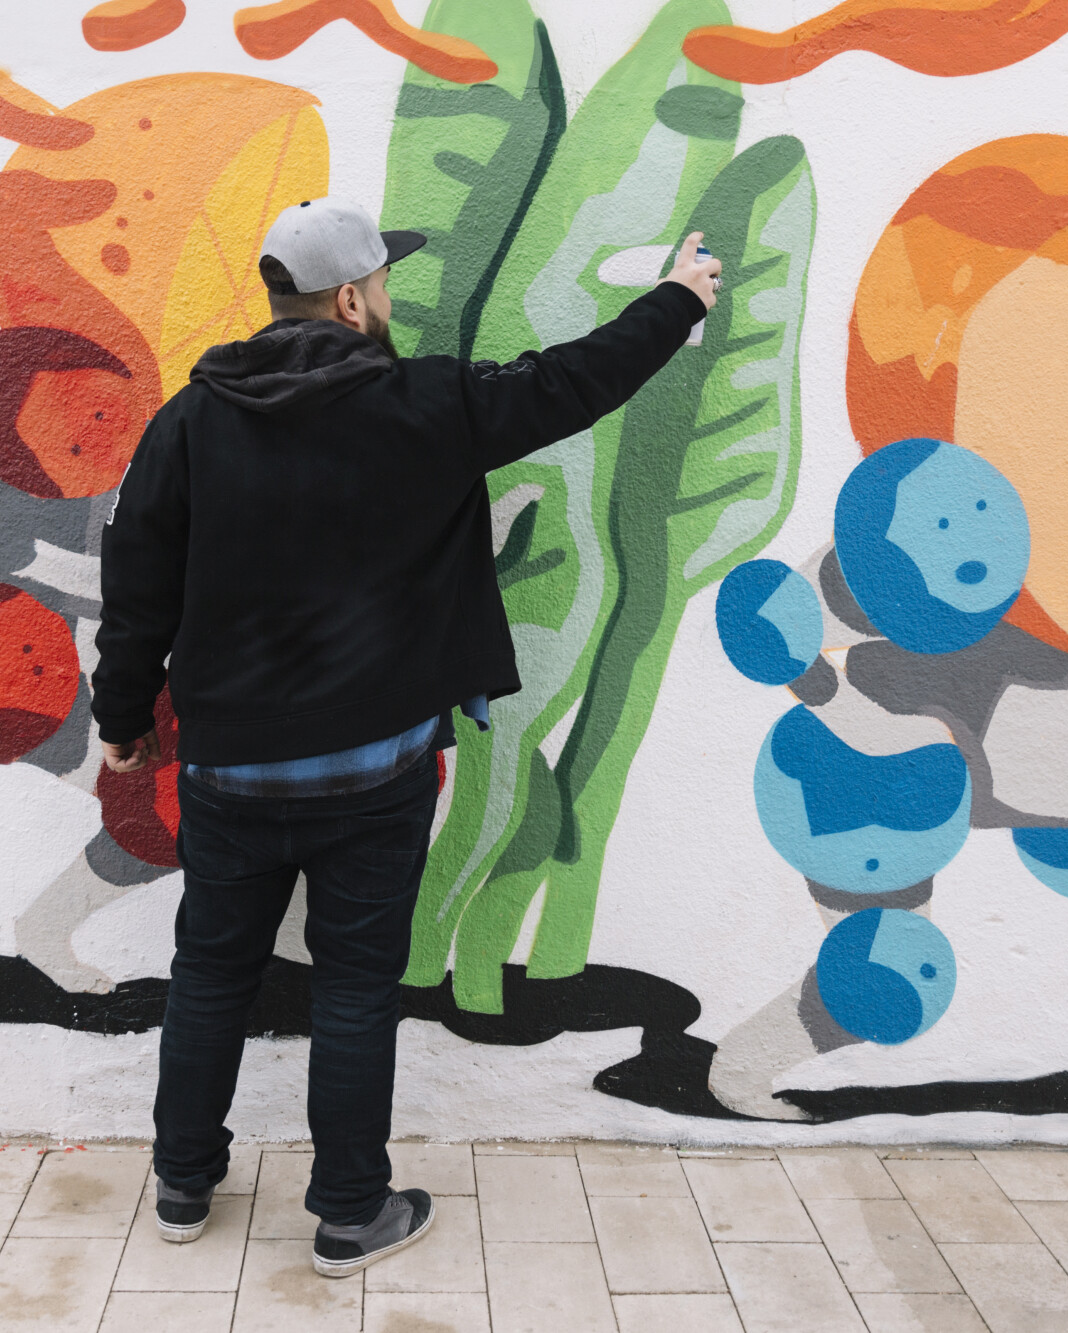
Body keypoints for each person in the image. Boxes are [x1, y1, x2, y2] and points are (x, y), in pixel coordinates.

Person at [91, 196, 719, 1277]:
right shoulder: (428, 403)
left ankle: (184, 1184)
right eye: (381, 284)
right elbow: (572, 380)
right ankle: (347, 1212)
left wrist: (121, 721)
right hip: (372, 773)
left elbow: (136, 584)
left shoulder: (192, 420)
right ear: (348, 299)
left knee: (208, 974)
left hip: (233, 770)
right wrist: (676, 298)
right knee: (351, 987)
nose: (387, 299)